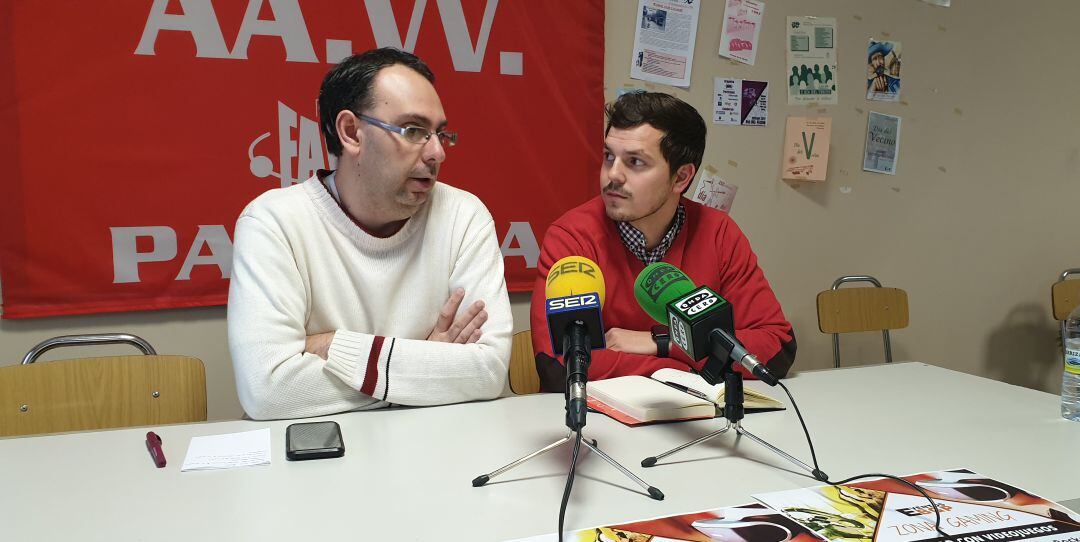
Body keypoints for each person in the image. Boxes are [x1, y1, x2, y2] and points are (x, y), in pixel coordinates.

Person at [228, 48, 512, 420]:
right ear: (351, 132)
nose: (438, 153)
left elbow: (488, 372)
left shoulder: (464, 215)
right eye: (414, 131)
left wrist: (334, 346)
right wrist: (426, 366)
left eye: (440, 133)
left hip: (437, 452)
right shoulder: (272, 222)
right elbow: (267, 389)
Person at [529, 92, 795, 387]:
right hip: (598, 427)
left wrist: (663, 342)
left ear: (681, 178)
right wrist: (692, 367)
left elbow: (776, 347)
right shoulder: (572, 237)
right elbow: (558, 363)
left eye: (635, 162)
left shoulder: (718, 233)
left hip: (702, 422)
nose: (612, 175)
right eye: (608, 156)